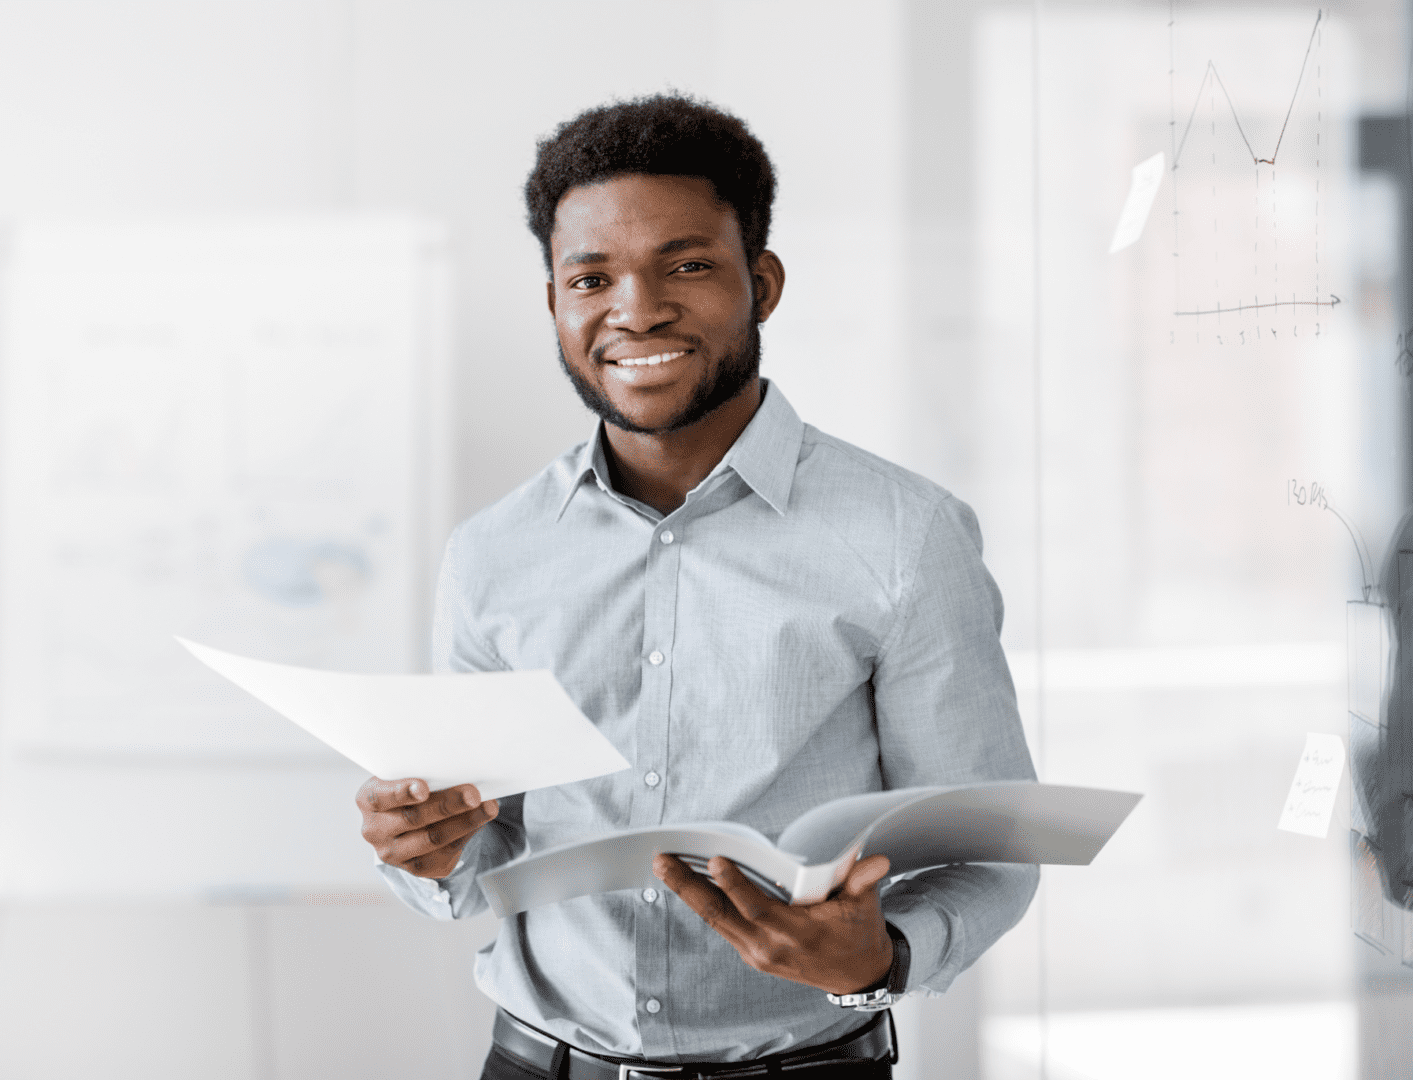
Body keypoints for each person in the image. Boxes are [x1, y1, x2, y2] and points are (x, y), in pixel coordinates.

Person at [357, 93, 1038, 1079]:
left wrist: (882, 958)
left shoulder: (906, 535)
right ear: (553, 304)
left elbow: (992, 848)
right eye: (591, 277)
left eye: (686, 265)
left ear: (760, 283)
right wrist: (425, 851)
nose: (636, 310)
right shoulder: (491, 554)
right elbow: (480, 872)